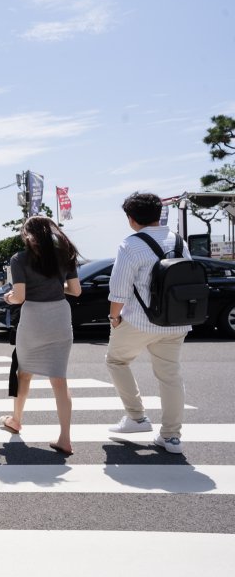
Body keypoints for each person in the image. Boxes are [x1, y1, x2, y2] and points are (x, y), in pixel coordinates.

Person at [106, 192, 191, 454]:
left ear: (131, 219)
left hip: (140, 321)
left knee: (116, 361)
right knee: (170, 376)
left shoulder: (130, 244)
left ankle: (137, 417)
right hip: (175, 321)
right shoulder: (179, 241)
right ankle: (171, 437)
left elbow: (118, 289)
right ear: (158, 213)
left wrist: (114, 317)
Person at [0, 217, 81, 455]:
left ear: (27, 235)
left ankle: (16, 419)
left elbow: (20, 296)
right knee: (59, 379)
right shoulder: (65, 254)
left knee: (24, 373)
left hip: (34, 319)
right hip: (60, 317)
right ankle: (65, 438)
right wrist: (55, 287)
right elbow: (75, 290)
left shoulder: (19, 259)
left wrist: (8, 297)